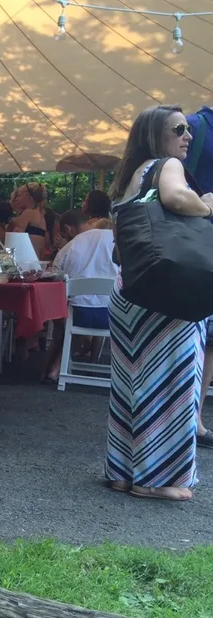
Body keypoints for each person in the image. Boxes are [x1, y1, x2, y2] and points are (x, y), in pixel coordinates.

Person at [106, 104, 213, 501]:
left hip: (130, 290)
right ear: (155, 135)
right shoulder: (166, 165)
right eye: (179, 129)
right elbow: (177, 198)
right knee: (173, 381)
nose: (188, 136)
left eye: (188, 129)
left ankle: (123, 472)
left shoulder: (125, 183)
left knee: (131, 383)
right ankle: (158, 479)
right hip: (168, 294)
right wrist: (207, 204)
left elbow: (120, 249)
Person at [41, 210, 118, 382]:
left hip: (78, 316)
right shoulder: (116, 241)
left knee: (64, 311)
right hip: (115, 317)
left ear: (68, 229)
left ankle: (55, 366)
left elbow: (55, 278)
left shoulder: (68, 248)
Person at [185, 106, 213, 450]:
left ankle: (195, 415)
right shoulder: (193, 126)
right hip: (192, 247)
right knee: (189, 330)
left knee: (212, 338)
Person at [8, 182, 48, 258]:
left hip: (26, 261)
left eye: (19, 195)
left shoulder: (28, 213)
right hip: (36, 260)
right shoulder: (41, 216)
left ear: (29, 198)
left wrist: (12, 207)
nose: (16, 199)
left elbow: (12, 236)